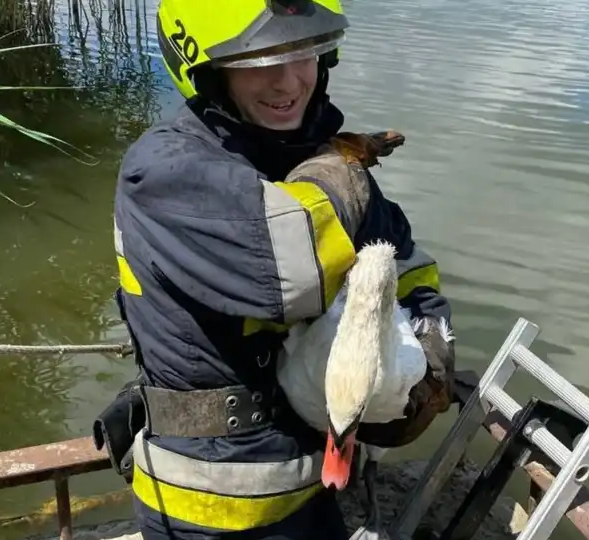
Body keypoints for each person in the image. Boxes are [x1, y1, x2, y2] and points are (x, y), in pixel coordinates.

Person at [92, 1, 456, 538]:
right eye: (259, 60)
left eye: (303, 53)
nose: (289, 82)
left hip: (313, 482)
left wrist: (428, 348)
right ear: (208, 71)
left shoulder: (306, 150)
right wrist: (340, 168)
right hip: (213, 508)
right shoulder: (167, 172)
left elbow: (404, 262)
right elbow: (294, 271)